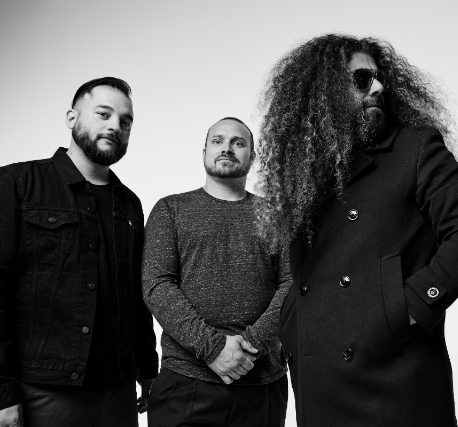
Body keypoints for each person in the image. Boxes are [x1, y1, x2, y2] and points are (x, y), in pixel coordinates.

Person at [254, 34, 458, 427]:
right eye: (362, 79)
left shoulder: (415, 148)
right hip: (317, 373)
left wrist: (407, 307)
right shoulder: (304, 172)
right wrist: (291, 323)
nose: (379, 87)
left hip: (393, 374)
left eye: (380, 77)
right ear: (325, 91)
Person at [0, 77, 158, 427]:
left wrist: (148, 369)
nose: (115, 126)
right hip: (43, 392)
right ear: (71, 118)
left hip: (118, 392)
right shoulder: (16, 184)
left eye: (126, 121)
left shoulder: (130, 204)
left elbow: (136, 297)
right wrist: (3, 392)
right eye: (103, 113)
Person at [142, 117, 290, 427]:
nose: (227, 148)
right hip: (186, 383)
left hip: (262, 384)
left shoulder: (277, 217)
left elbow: (292, 285)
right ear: (204, 152)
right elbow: (157, 285)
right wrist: (212, 348)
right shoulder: (171, 210)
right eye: (218, 141)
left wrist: (250, 345)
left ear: (252, 156)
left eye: (238, 143)